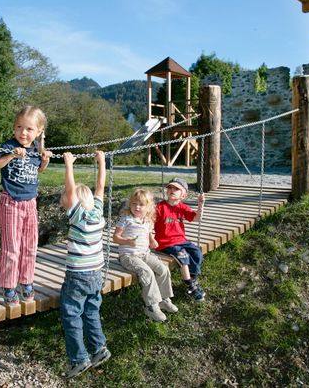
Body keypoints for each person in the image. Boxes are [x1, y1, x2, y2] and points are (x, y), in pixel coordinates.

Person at [0, 106, 53, 305]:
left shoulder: (35, 149)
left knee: (30, 245)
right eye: (19, 127)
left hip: (30, 204)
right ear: (13, 128)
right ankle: (9, 285)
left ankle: (26, 281)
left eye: (29, 129)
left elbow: (38, 171)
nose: (23, 133)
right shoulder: (8, 146)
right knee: (12, 246)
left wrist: (45, 160)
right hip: (11, 202)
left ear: (39, 131)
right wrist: (11, 156)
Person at [59, 151, 112, 379]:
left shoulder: (77, 215)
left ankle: (79, 358)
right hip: (96, 274)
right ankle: (99, 348)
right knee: (91, 310)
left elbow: (70, 191)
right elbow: (100, 186)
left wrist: (69, 164)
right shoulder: (97, 213)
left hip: (78, 276)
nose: (63, 199)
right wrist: (101, 161)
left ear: (74, 203)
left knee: (71, 313)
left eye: (64, 197)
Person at [113, 188, 178, 322]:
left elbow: (148, 233)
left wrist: (152, 240)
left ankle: (164, 299)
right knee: (147, 272)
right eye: (134, 204)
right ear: (129, 204)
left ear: (148, 207)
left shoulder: (147, 220)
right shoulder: (126, 219)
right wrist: (127, 241)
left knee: (163, 269)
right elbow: (115, 237)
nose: (137, 207)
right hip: (128, 256)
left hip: (144, 253)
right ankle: (151, 306)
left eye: (141, 205)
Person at [154, 177, 206, 302]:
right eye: (170, 187)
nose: (172, 190)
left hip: (181, 240)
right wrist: (149, 239)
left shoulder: (182, 207)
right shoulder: (160, 207)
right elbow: (149, 222)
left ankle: (193, 279)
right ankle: (190, 285)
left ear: (183, 194)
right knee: (183, 256)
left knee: (197, 253)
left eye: (176, 188)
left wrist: (200, 205)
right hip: (165, 242)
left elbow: (197, 218)